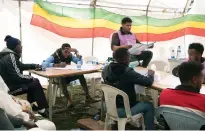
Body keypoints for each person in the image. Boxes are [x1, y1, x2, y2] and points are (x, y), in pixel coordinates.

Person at [102, 48, 155, 130]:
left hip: (108, 107)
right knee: (148, 105)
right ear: (126, 58)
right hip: (122, 111)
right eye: (129, 56)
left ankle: (118, 124)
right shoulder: (128, 72)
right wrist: (151, 75)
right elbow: (148, 82)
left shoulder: (106, 68)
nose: (130, 58)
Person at [0, 35, 49, 117]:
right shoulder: (10, 57)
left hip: (9, 84)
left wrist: (35, 66)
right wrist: (30, 78)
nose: (21, 46)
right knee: (34, 82)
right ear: (14, 46)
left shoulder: (8, 56)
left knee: (33, 83)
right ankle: (42, 109)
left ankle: (35, 107)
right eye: (20, 45)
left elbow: (21, 66)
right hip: (10, 87)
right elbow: (17, 77)